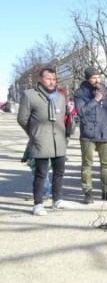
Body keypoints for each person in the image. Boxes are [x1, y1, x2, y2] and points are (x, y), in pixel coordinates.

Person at [17, 68, 69, 216]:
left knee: (59, 172)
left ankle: (57, 199)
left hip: (58, 140)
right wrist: (34, 133)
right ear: (40, 79)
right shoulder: (30, 95)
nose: (52, 82)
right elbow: (22, 119)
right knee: (41, 174)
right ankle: (38, 204)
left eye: (54, 79)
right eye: (48, 78)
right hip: (40, 140)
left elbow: (63, 117)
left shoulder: (60, 96)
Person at [73, 66, 107, 204]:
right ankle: (88, 192)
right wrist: (96, 99)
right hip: (89, 133)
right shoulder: (80, 93)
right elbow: (81, 112)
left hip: (105, 131)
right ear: (87, 78)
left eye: (98, 76)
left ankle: (106, 191)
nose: (97, 79)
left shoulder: (106, 90)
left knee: (106, 164)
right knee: (87, 164)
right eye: (93, 77)